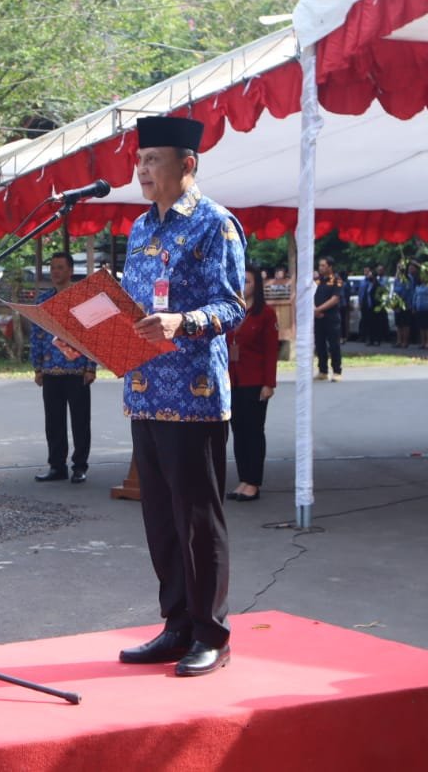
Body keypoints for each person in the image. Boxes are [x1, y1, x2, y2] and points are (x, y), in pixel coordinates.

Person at [113, 115, 246, 678]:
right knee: (160, 518)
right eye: (138, 160)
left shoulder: (216, 224)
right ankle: (175, 625)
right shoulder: (141, 228)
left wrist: (182, 322)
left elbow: (233, 305)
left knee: (197, 518)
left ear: (187, 164)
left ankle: (210, 632)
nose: (141, 170)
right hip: (143, 389)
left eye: (152, 160)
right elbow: (130, 301)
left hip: (193, 395)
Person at [30, 252, 96, 484]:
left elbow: (91, 334)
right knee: (53, 421)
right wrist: (38, 367)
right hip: (51, 370)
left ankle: (80, 466)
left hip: (78, 370)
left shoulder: (82, 299)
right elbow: (37, 335)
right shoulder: (44, 301)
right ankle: (56, 466)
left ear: (70, 270)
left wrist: (91, 367)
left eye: (60, 267)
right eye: (52, 267)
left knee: (80, 421)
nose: (55, 272)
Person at [225, 265, 278, 501]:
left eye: (246, 281)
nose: (242, 285)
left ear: (256, 286)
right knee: (238, 430)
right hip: (231, 380)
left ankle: (254, 482)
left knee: (254, 431)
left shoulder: (265, 314)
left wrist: (269, 383)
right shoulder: (231, 310)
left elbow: (270, 352)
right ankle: (243, 479)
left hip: (254, 380)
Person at [313, 257, 342, 380]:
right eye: (319, 265)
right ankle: (323, 370)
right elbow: (311, 295)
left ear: (330, 267)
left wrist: (319, 309)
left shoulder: (337, 280)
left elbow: (335, 299)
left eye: (323, 265)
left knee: (334, 345)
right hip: (318, 317)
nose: (320, 268)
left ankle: (337, 371)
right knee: (320, 344)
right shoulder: (317, 281)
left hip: (331, 317)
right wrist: (314, 309)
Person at [412, 265, 428, 350]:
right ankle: (422, 342)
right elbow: (415, 297)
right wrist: (414, 306)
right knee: (421, 327)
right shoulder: (418, 287)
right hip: (419, 309)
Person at [393, 261, 418, 348]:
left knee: (405, 324)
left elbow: (407, 291)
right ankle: (399, 341)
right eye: (398, 268)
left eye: (401, 267)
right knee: (399, 324)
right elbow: (395, 291)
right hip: (397, 303)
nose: (399, 269)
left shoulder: (409, 278)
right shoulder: (397, 279)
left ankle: (405, 341)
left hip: (406, 304)